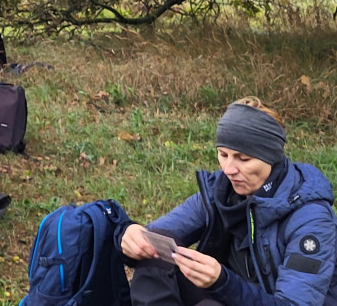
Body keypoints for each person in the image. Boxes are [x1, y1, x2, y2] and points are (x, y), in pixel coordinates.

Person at [119, 97, 337, 306]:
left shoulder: (312, 219)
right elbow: (159, 233)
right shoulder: (220, 192)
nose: (229, 170)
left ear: (271, 157)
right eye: (223, 154)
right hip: (231, 294)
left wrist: (223, 282)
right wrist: (130, 236)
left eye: (243, 159)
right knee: (155, 251)